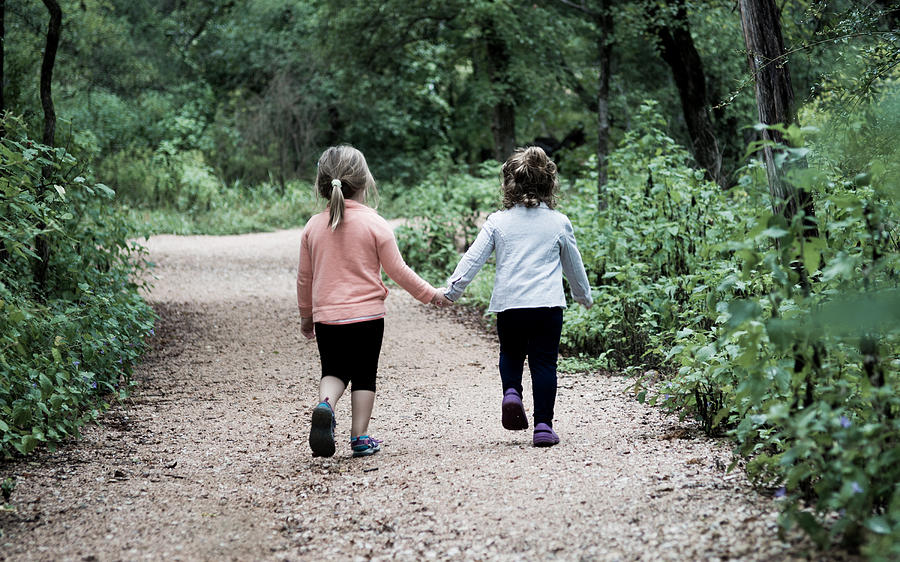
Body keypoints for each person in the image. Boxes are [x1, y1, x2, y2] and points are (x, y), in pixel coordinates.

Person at [297, 145, 449, 458]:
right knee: (365, 373)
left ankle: (325, 405)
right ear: (365, 182)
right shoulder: (376, 223)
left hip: (328, 317)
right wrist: (430, 294)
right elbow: (399, 272)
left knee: (334, 370)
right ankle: (360, 437)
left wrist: (306, 316)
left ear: (323, 184)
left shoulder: (313, 226)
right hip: (367, 317)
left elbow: (304, 278)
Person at [443, 146, 593, 447]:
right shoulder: (558, 222)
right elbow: (573, 266)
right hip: (547, 306)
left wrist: (452, 291)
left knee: (511, 354)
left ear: (510, 184)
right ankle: (543, 427)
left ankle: (511, 391)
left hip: (510, 305)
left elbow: (472, 259)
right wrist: (583, 296)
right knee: (544, 363)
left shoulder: (498, 221)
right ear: (549, 184)